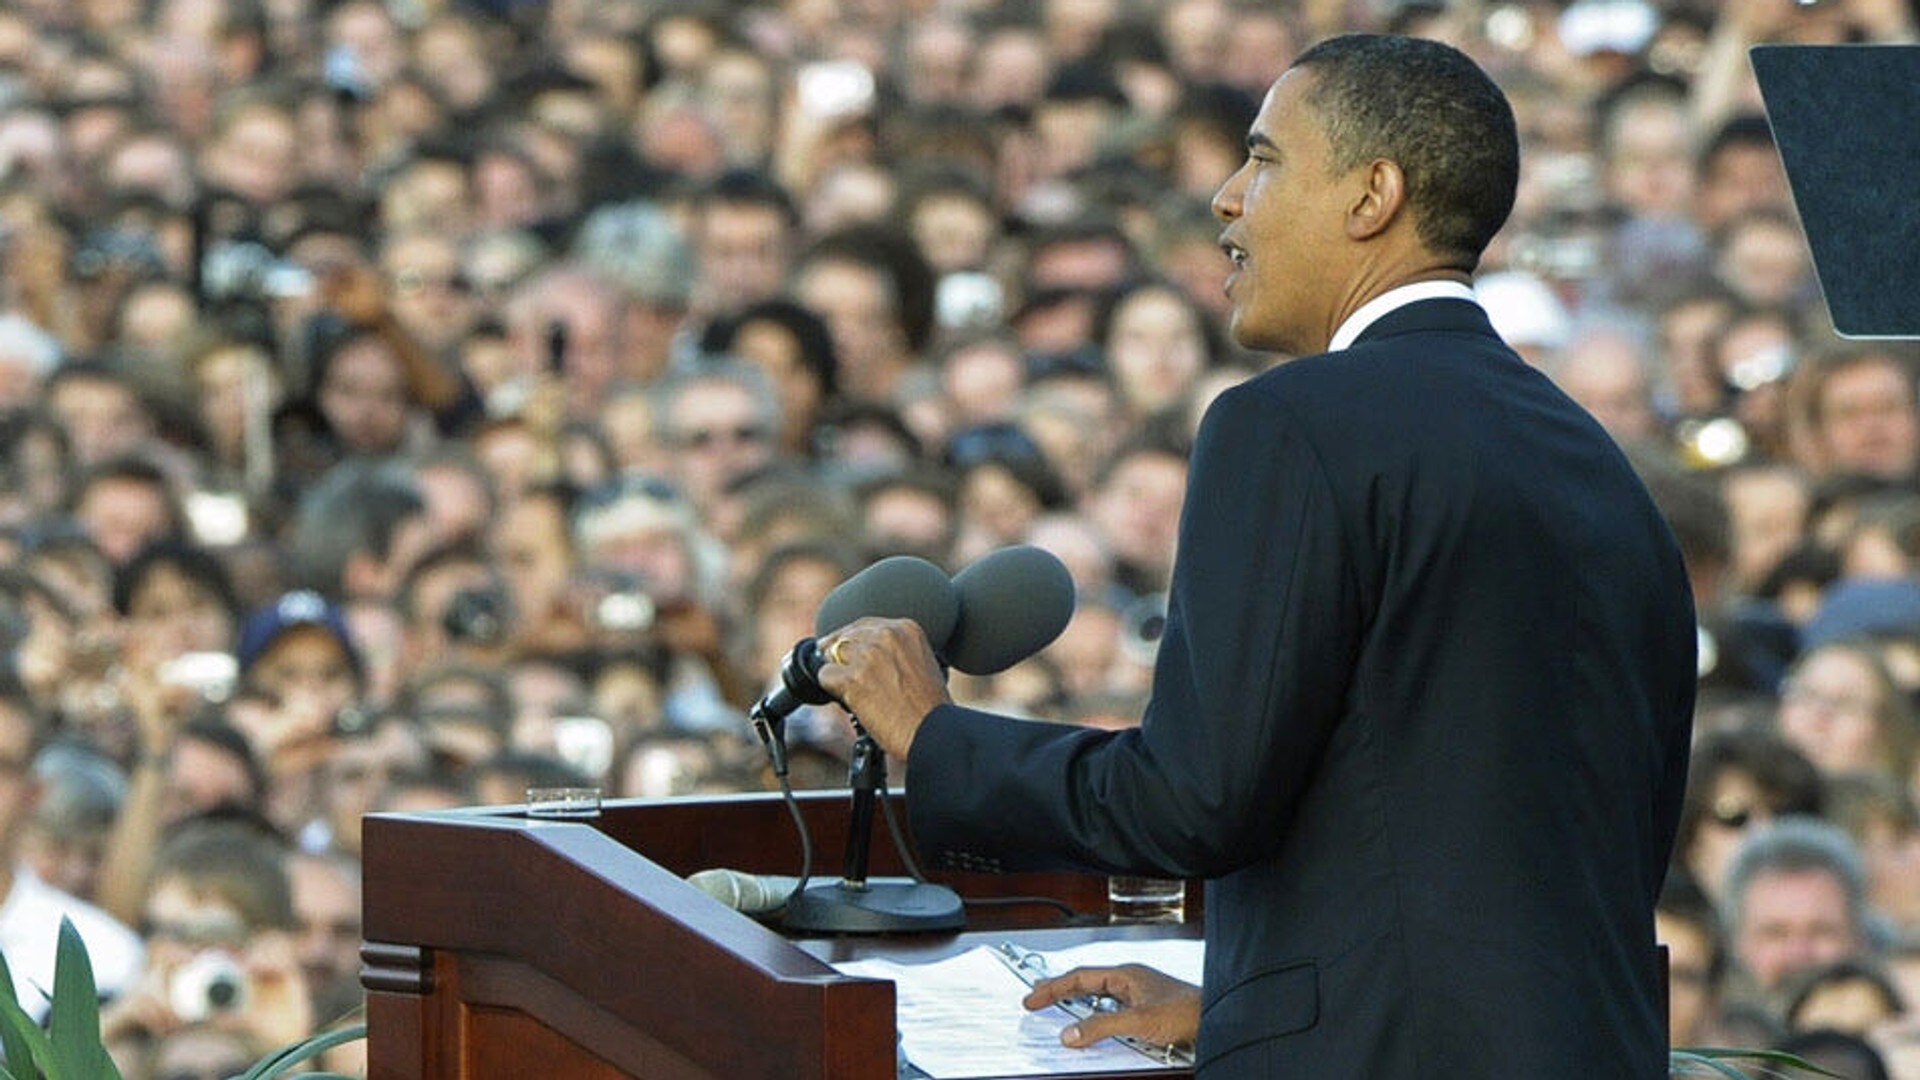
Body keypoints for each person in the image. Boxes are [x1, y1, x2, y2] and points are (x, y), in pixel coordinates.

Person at [817, 34, 1696, 1077]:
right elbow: (1505, 834)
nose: (1228, 198)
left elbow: (1194, 799)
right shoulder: (1595, 459)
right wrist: (1258, 1005)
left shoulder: (1289, 423)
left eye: (1266, 159)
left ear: (1372, 196)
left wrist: (937, 736)